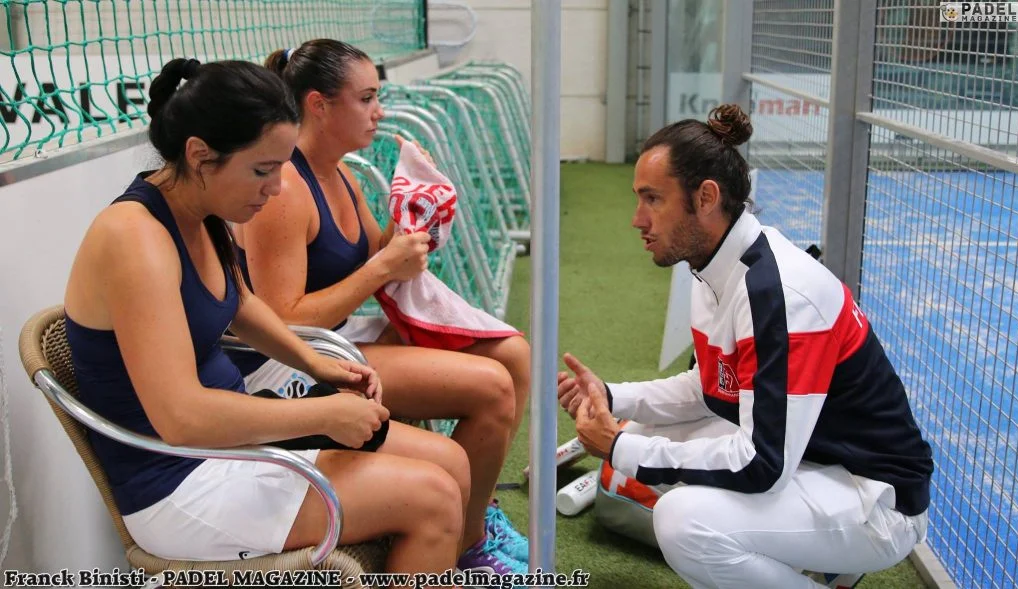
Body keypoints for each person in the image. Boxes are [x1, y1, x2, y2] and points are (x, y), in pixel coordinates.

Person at [63, 57, 470, 581]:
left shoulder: (199, 209)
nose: (277, 188)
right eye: (263, 169)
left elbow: (240, 303)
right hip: (182, 482)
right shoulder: (135, 239)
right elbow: (180, 418)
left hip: (236, 444)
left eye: (281, 166)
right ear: (200, 155)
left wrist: (318, 365)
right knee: (432, 498)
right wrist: (322, 417)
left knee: (453, 466)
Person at [557, 104, 934, 589]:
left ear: (706, 197)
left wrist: (619, 447)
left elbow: (761, 465)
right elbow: (709, 389)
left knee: (682, 520)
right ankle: (813, 564)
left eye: (652, 199)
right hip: (815, 460)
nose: (637, 219)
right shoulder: (718, 263)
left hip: (873, 496)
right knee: (652, 430)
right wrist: (613, 397)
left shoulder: (777, 294)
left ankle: (830, 560)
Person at [229, 39, 530, 573]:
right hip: (299, 362)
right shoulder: (287, 189)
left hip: (345, 338)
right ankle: (468, 543)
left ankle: (474, 521)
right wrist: (384, 265)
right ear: (320, 105)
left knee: (513, 356)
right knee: (494, 387)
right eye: (366, 98)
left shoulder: (341, 173)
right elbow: (282, 322)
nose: (380, 112)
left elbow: (376, 257)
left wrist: (415, 208)